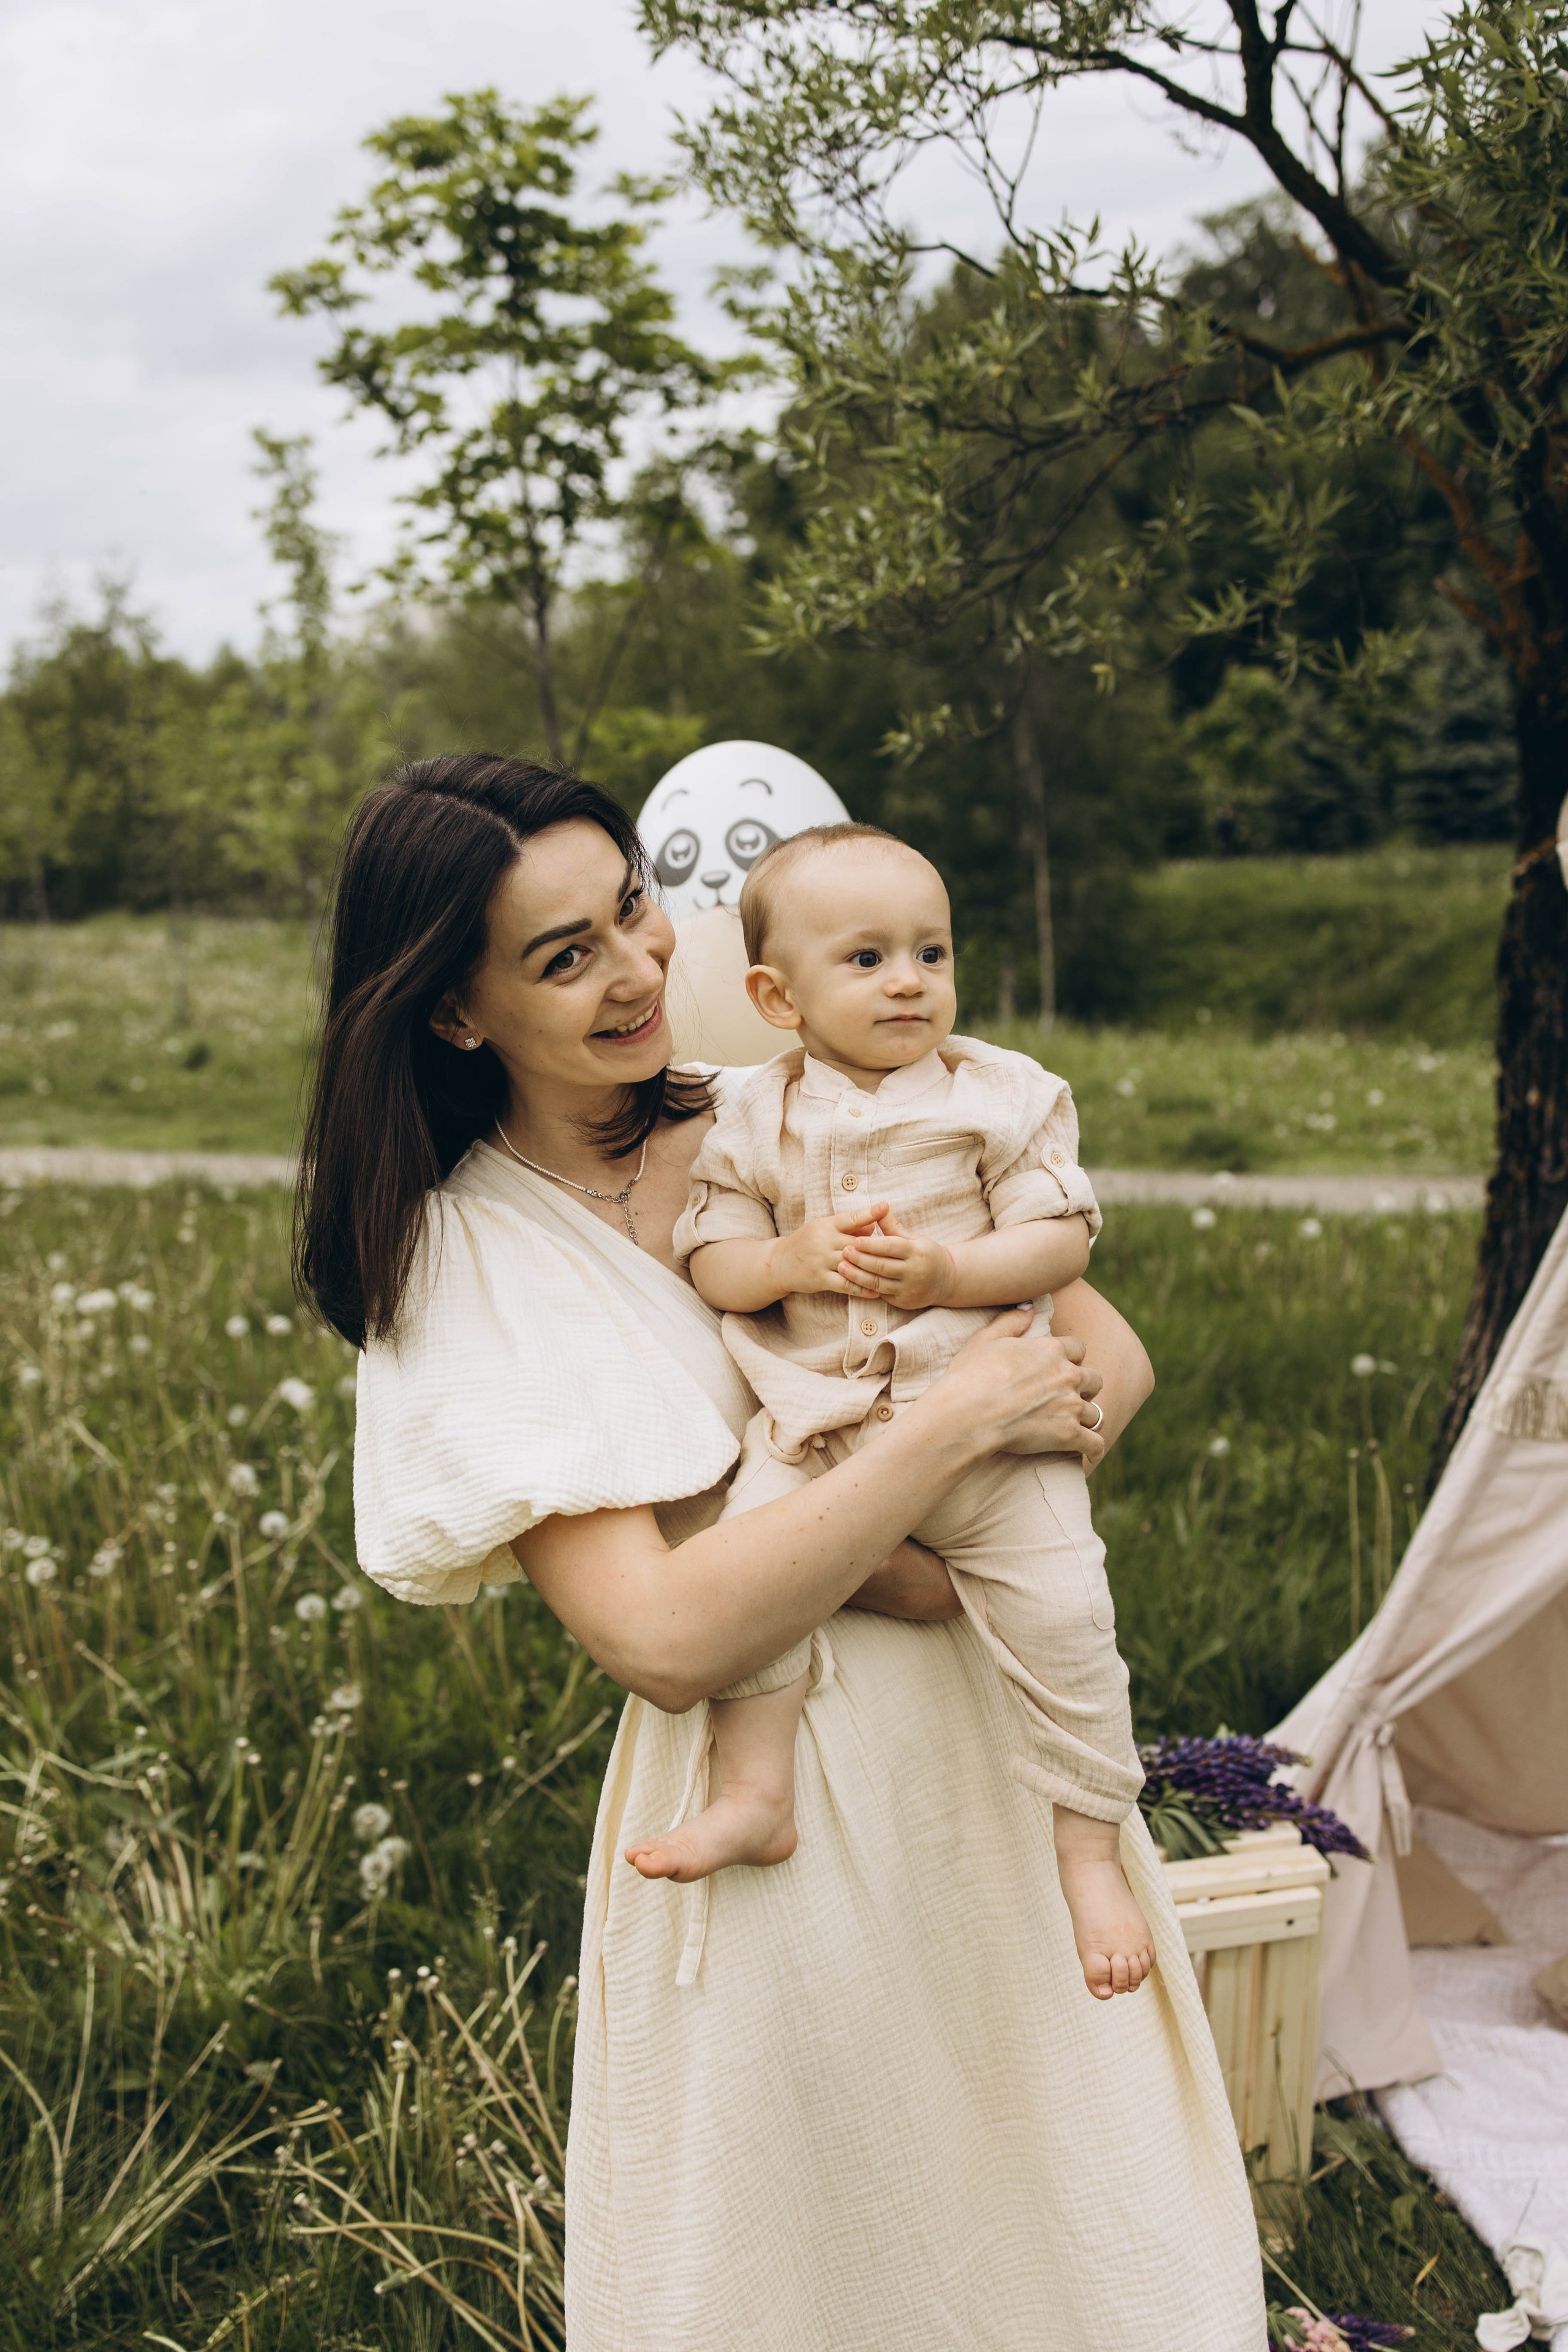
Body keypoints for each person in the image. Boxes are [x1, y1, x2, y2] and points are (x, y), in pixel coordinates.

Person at [298, 753, 1267, 2351]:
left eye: (632, 908)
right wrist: (940, 1458)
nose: (638, 968)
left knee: (1076, 2228)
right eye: (566, 956)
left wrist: (952, 1533)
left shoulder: (786, 1105)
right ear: (458, 1012)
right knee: (830, 2265)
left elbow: (1102, 1355)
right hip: (782, 1807)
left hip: (998, 1755)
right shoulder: (469, 1258)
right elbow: (666, 1635)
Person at [626, 821, 1150, 2004]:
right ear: (778, 996)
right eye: (867, 959)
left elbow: (1060, 1237)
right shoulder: (753, 1119)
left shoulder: (999, 1094)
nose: (909, 980)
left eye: (932, 952)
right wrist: (790, 1259)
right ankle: (756, 1794)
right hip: (820, 1425)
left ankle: (1089, 1849)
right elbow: (714, 1258)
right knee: (752, 1569)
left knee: (1070, 1612)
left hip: (996, 1441)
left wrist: (952, 1274)